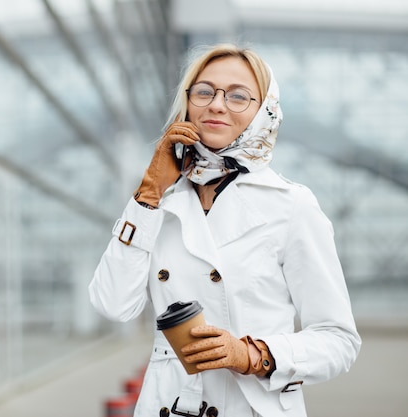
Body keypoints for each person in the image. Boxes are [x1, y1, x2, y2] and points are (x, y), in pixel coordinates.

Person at [89, 44, 361, 417]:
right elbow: (112, 305)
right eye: (204, 91)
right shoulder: (158, 206)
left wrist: (252, 355)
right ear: (187, 103)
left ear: (264, 111)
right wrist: (148, 192)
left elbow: (339, 340)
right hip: (166, 405)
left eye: (238, 96)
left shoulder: (292, 205)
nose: (217, 105)